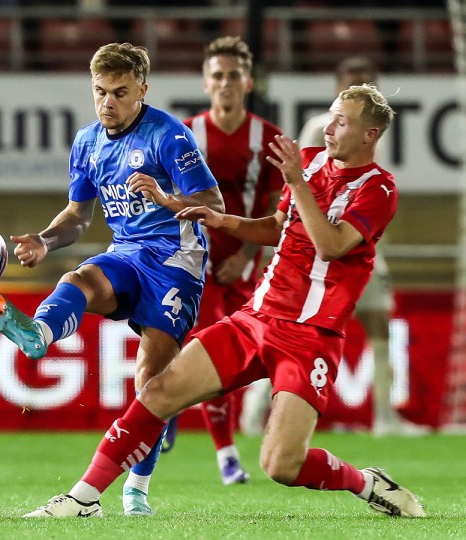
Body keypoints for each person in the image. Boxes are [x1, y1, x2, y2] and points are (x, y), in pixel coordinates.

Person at [21, 84, 426, 519]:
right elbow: (278, 226)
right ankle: (83, 498)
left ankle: (366, 483)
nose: (328, 128)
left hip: (310, 335)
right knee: (158, 391)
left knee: (281, 465)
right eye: (330, 117)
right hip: (257, 318)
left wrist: (295, 181)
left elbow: (330, 245)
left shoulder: (379, 189)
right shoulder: (310, 163)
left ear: (370, 134)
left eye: (341, 122)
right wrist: (221, 219)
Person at [0, 42, 224, 517]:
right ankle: (39, 333)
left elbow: (214, 205)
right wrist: (45, 241)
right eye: (100, 92)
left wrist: (165, 197)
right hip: (127, 252)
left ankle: (137, 488)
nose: (107, 102)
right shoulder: (87, 142)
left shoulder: (169, 136)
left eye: (119, 92)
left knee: (151, 384)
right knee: (81, 278)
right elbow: (77, 215)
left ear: (142, 90)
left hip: (177, 261)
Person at [238, 56, 421, 437]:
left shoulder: (375, 131)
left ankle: (385, 417)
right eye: (353, 81)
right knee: (287, 334)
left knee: (379, 324)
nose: (362, 86)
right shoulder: (320, 128)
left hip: (358, 246)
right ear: (337, 87)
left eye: (367, 80)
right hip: (317, 249)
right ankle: (254, 413)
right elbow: (302, 185)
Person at [163, 35, 285, 486]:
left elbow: (277, 210)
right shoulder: (184, 135)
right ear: (205, 82)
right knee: (212, 346)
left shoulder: (267, 139)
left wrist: (248, 254)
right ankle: (227, 455)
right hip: (195, 261)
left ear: (248, 82)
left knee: (235, 361)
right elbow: (167, 200)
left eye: (234, 75)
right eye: (218, 75)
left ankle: (169, 401)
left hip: (246, 265)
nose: (226, 83)